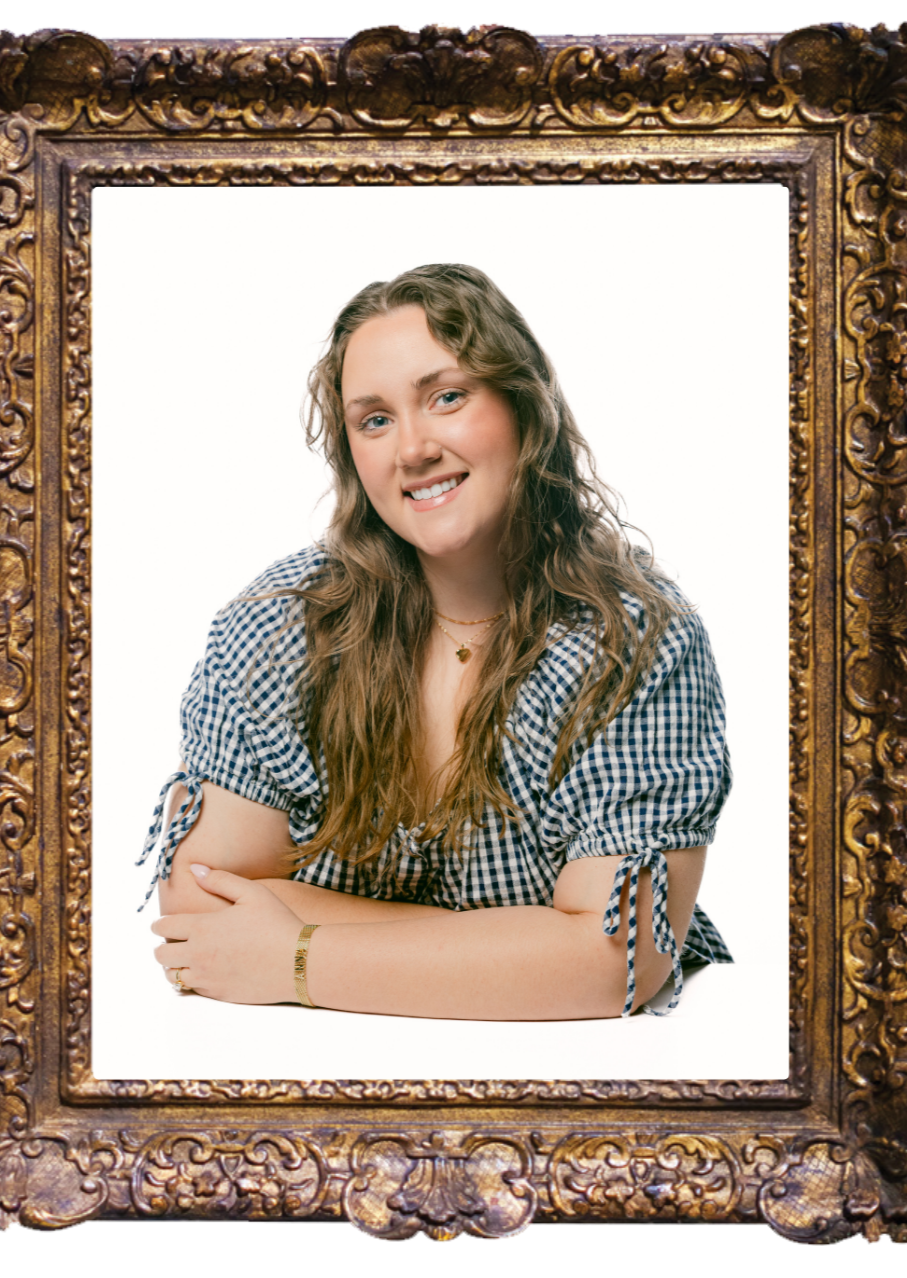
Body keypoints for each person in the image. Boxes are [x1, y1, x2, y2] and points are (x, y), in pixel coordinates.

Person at [141, 263, 732, 1019]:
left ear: (525, 404)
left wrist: (296, 953)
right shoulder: (283, 623)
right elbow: (199, 918)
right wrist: (522, 949)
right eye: (375, 420)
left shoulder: (636, 643)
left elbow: (616, 962)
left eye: (446, 397)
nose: (413, 448)